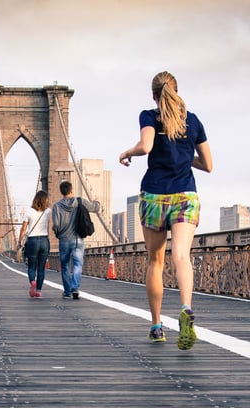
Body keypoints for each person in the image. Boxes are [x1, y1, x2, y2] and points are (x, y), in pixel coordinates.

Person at [118, 71, 213, 350]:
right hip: (185, 194)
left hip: (155, 195)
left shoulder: (149, 116)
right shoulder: (192, 121)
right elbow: (208, 164)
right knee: (182, 256)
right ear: (176, 90)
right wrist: (184, 157)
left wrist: (126, 152)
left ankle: (157, 325)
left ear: (154, 95)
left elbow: (146, 146)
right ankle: (185, 307)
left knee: (155, 262)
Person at [51, 181, 99, 300]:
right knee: (78, 264)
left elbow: (56, 225)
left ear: (61, 192)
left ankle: (67, 292)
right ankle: (75, 287)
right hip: (78, 239)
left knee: (65, 265)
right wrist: (96, 201)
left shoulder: (56, 206)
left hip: (64, 240)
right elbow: (95, 208)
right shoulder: (80, 201)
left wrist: (59, 235)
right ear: (71, 190)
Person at [18, 190, 51, 298]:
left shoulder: (29, 212)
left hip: (32, 241)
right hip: (45, 241)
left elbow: (23, 228)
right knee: (41, 268)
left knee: (31, 266)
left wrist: (19, 241)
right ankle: (38, 291)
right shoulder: (48, 211)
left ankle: (32, 282)